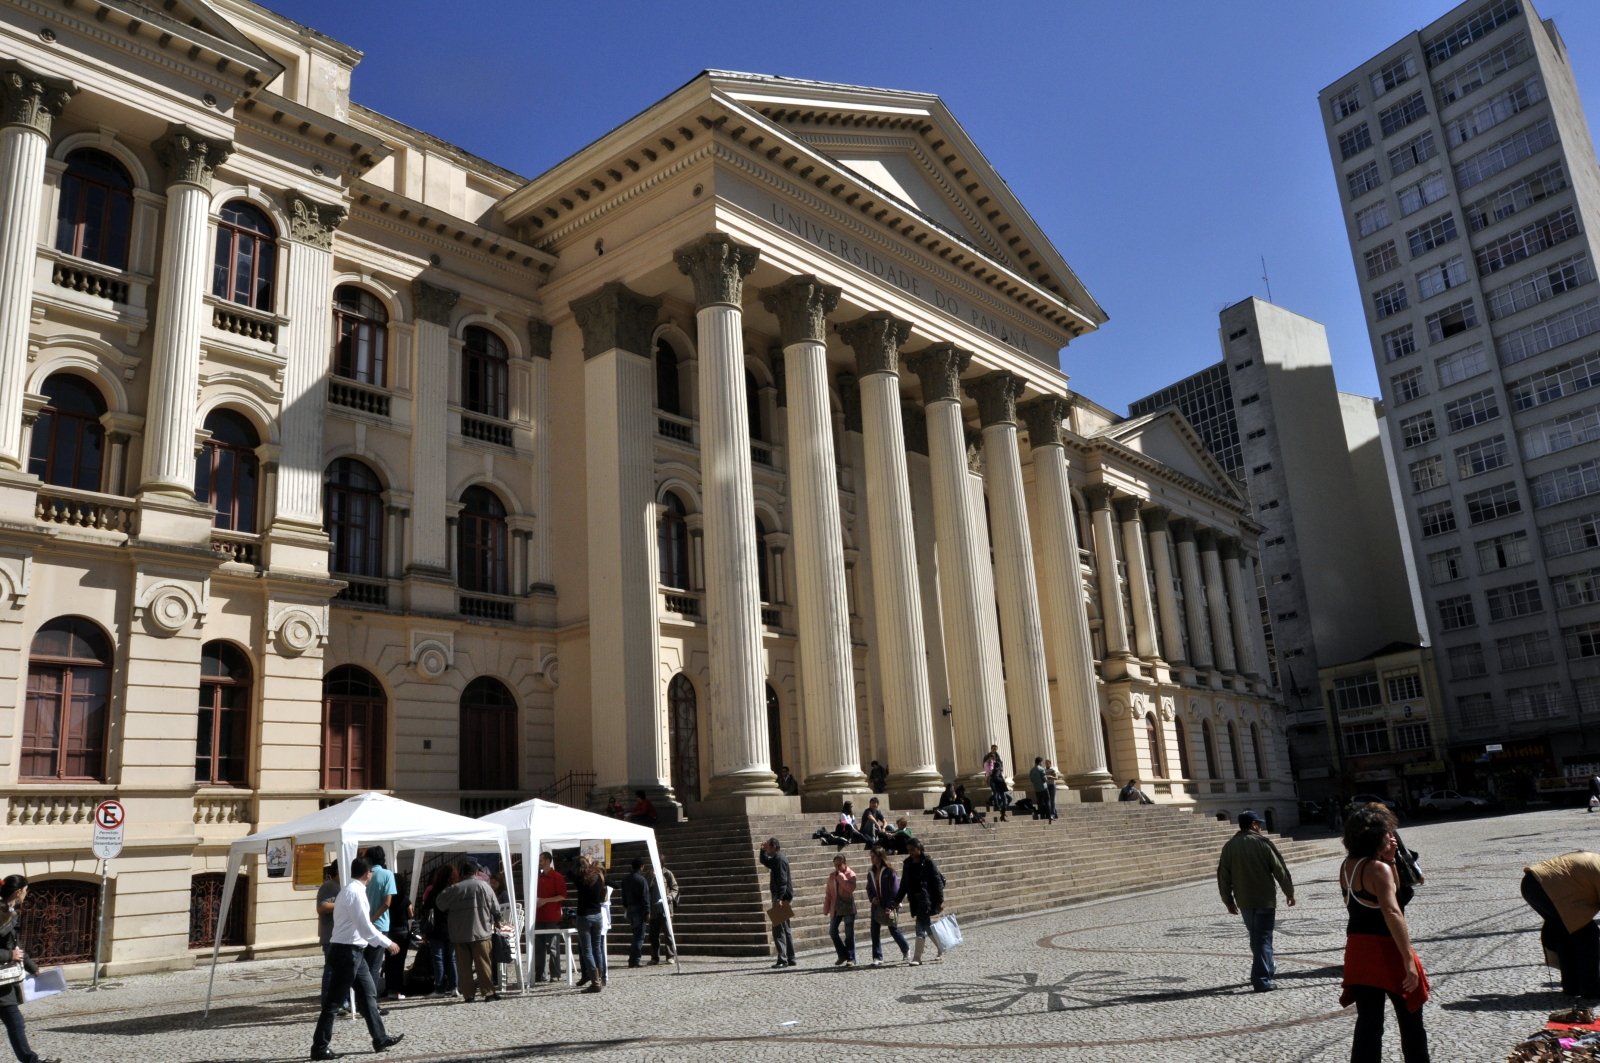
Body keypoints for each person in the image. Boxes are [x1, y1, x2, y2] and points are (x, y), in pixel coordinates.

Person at [1339, 804, 1430, 1063]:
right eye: (1387, 832)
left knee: (1369, 1024)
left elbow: (1392, 898)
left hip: (1358, 951)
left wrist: (1390, 859)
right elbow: (1393, 911)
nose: (1392, 837)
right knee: (1411, 1021)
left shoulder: (1349, 865)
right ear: (1374, 835)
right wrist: (1409, 960)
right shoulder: (1378, 869)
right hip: (1385, 950)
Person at [311, 857, 403, 1060]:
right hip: (347, 952)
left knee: (368, 994)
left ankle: (380, 1038)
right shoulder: (355, 893)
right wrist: (388, 943)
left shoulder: (349, 890)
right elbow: (365, 927)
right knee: (334, 1003)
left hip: (353, 951)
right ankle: (319, 1048)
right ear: (368, 873)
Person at [1216, 810, 1296, 992]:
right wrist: (1289, 892)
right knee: (1262, 939)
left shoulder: (1229, 846)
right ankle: (1261, 979)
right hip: (1264, 900)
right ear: (1253, 825)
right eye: (1258, 824)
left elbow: (1223, 876)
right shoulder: (1262, 843)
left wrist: (1228, 901)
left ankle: (1268, 969)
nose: (1260, 827)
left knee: (1257, 937)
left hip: (1244, 901)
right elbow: (1279, 869)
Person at [1522, 851, 1600, 997]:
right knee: (1587, 933)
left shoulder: (1596, 861)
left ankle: (1572, 986)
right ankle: (1590, 989)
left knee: (1567, 932)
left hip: (1531, 884)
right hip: (1543, 887)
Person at [0, 876, 56, 1063]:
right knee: (15, 1022)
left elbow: (17, 948)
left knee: (15, 1022)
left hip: (4, 983)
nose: (26, 893)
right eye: (26, 889)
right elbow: (12, 952)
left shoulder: (8, 912)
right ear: (18, 892)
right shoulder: (2, 914)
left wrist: (34, 969)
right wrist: (9, 956)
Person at [436, 860, 501, 1004]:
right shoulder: (484, 886)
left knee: (463, 967)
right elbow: (495, 907)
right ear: (476, 873)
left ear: (462, 874)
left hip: (459, 933)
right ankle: (488, 993)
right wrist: (498, 920)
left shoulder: (454, 889)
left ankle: (468, 995)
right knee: (483, 964)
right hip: (480, 931)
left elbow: (440, 903)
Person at [896, 839, 945, 965]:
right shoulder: (907, 863)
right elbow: (904, 884)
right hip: (914, 899)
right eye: (908, 850)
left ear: (919, 848)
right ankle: (941, 947)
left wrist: (940, 901)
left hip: (926, 897)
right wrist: (897, 900)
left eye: (912, 849)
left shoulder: (928, 862)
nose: (910, 852)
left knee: (919, 925)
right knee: (927, 925)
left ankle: (917, 957)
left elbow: (937, 881)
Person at [362, 846, 397, 999]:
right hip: (380, 924)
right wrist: (373, 919)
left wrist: (367, 920)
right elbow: (387, 903)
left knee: (362, 964)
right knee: (374, 966)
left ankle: (359, 997)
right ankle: (370, 1000)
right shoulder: (387, 874)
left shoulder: (364, 875)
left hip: (362, 925)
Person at [419, 864, 459, 997]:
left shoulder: (434, 891)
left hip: (436, 928)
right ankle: (454, 986)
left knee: (438, 959)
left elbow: (426, 909)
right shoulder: (456, 891)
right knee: (451, 958)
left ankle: (440, 988)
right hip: (452, 927)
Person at [866, 848, 910, 966]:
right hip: (876, 906)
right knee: (874, 931)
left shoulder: (890, 872)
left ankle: (905, 949)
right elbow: (869, 888)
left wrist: (890, 906)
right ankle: (877, 957)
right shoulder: (871, 872)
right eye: (871, 856)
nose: (872, 859)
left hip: (890, 905)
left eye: (873, 856)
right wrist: (872, 898)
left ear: (880, 857)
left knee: (893, 929)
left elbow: (895, 891)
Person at [572, 855, 609, 992]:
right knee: (597, 948)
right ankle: (599, 979)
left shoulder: (579, 879)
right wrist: (589, 862)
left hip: (584, 916)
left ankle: (595, 982)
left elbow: (570, 872)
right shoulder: (598, 876)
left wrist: (582, 862)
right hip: (597, 914)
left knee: (587, 950)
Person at [759, 837, 796, 968]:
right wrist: (762, 850)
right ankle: (791, 957)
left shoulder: (779, 860)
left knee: (778, 928)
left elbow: (782, 881)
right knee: (785, 928)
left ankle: (783, 959)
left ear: (774, 846)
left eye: (768, 847)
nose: (767, 849)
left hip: (782, 897)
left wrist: (779, 899)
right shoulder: (777, 858)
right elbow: (765, 861)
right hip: (784, 896)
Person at [532, 852, 567, 983]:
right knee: (539, 948)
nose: (539, 862)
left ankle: (555, 974)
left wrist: (546, 900)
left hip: (553, 917)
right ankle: (540, 974)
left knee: (553, 947)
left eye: (541, 860)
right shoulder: (538, 877)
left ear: (547, 860)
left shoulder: (557, 877)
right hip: (539, 917)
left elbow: (562, 895)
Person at [823, 853, 858, 967]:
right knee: (832, 932)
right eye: (835, 865)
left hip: (848, 908)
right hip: (836, 908)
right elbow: (829, 893)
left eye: (839, 865)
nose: (837, 867)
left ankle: (851, 958)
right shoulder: (832, 876)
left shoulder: (851, 874)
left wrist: (842, 878)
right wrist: (826, 907)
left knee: (849, 934)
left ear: (845, 864)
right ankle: (842, 954)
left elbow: (850, 889)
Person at [315, 862, 341, 1005]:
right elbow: (322, 907)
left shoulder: (342, 886)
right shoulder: (329, 886)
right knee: (331, 970)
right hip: (331, 935)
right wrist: (343, 903)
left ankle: (340, 1001)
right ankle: (329, 1002)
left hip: (340, 935)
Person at [621, 856, 651, 968]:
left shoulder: (626, 879)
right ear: (641, 867)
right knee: (639, 936)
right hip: (639, 909)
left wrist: (626, 906)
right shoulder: (641, 880)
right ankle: (635, 960)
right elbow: (645, 897)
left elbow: (623, 896)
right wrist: (647, 911)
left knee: (635, 934)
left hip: (630, 909)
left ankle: (632, 958)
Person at [649, 864, 678, 965]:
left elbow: (675, 888)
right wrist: (651, 877)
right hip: (654, 909)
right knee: (654, 935)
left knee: (668, 933)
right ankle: (654, 957)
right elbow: (646, 888)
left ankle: (670, 956)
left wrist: (670, 897)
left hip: (666, 909)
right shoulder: (649, 874)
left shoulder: (667, 873)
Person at [1029, 757, 1051, 823]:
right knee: (1047, 801)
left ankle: (1042, 815)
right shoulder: (1041, 769)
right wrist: (1048, 778)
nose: (1042, 763)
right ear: (1039, 762)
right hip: (1043, 788)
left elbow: (1031, 780)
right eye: (1042, 762)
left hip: (1037, 789)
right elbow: (1044, 779)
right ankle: (1048, 815)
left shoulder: (1032, 770)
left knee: (1040, 802)